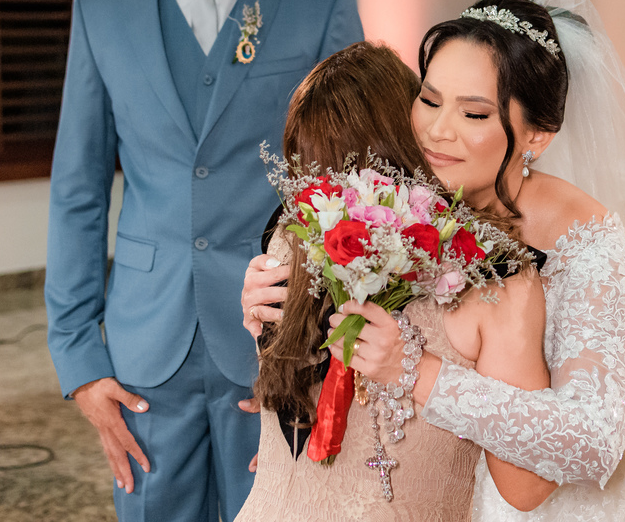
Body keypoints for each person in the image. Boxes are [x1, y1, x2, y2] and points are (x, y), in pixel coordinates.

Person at [246, 0, 625, 520]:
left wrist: (419, 370)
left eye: (474, 112)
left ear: (537, 136)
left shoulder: (583, 238)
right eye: (430, 99)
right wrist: (267, 303)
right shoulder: (400, 196)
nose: (437, 130)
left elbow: (589, 440)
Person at [45, 0, 363, 522]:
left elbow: (355, 184)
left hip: (282, 341)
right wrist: (80, 362)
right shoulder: (101, 12)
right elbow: (78, 194)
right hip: (144, 351)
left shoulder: (320, 2)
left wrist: (325, 353)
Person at [236, 41, 553, 521]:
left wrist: (418, 370)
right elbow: (526, 486)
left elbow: (524, 487)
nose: (319, 201)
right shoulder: (498, 279)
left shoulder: (289, 237)